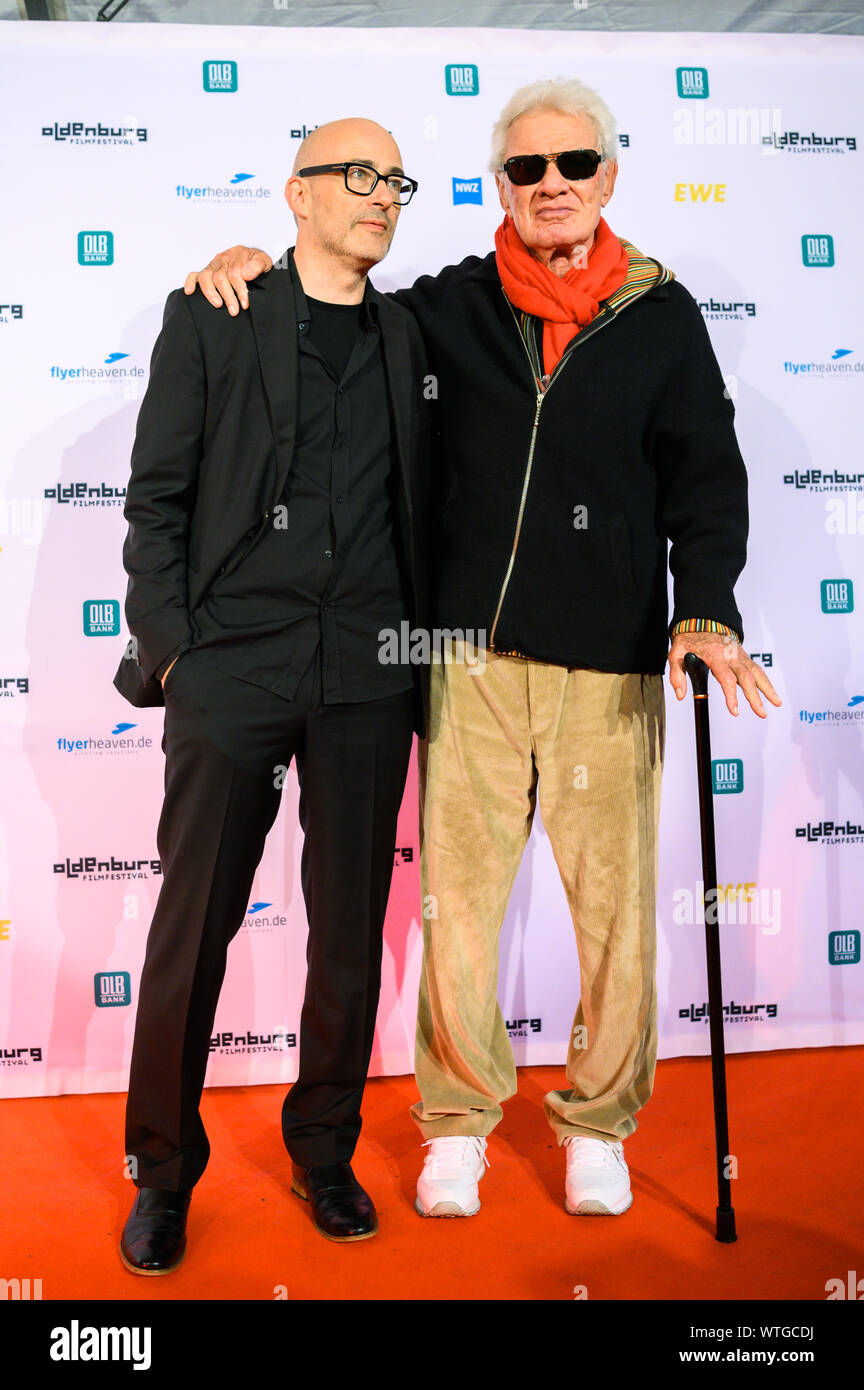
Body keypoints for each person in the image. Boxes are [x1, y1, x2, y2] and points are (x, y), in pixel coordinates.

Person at [184, 77, 781, 1224]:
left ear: (609, 175)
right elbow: (334, 303)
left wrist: (704, 608)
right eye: (526, 168)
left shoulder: (663, 317)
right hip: (464, 663)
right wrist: (250, 261)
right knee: (458, 908)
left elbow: (708, 478)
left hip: (608, 672)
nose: (550, 185)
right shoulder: (448, 306)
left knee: (614, 917)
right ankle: (456, 1120)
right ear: (499, 184)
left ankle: (599, 1121)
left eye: (573, 165)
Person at [113, 117, 430, 1272]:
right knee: (192, 930)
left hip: (368, 674)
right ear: (295, 196)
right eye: (357, 175)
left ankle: (324, 1149)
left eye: (395, 180)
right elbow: (156, 496)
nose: (381, 195)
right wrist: (176, 649)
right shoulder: (214, 311)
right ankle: (159, 1172)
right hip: (232, 665)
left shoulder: (414, 330)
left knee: (348, 932)